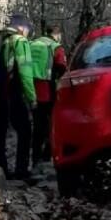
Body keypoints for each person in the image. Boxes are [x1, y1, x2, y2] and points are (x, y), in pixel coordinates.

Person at [0, 14, 35, 179]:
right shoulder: (19, 41)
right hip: (12, 91)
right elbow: (25, 71)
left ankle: (1, 169)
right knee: (25, 130)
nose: (27, 34)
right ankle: (21, 170)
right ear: (22, 28)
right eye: (27, 30)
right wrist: (32, 97)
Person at [29, 24, 66, 165]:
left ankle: (35, 159)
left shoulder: (32, 44)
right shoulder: (56, 47)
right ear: (57, 34)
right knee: (52, 124)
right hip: (48, 89)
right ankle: (47, 157)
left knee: (37, 125)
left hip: (31, 88)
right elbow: (62, 68)